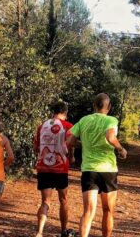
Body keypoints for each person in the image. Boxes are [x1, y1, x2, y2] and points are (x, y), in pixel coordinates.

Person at [68, 93, 127, 237]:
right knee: (108, 210)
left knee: (88, 211)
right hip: (108, 170)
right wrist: (121, 149)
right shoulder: (111, 120)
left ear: (94, 106)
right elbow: (110, 137)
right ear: (109, 107)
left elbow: (70, 141)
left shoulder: (84, 120)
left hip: (89, 170)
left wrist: (84, 145)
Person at [34, 102, 76, 237]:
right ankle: (64, 230)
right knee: (63, 199)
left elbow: (36, 147)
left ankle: (39, 232)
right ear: (66, 112)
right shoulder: (68, 126)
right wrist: (72, 156)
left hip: (43, 167)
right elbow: (71, 143)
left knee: (45, 201)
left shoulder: (42, 126)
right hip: (60, 168)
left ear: (53, 111)